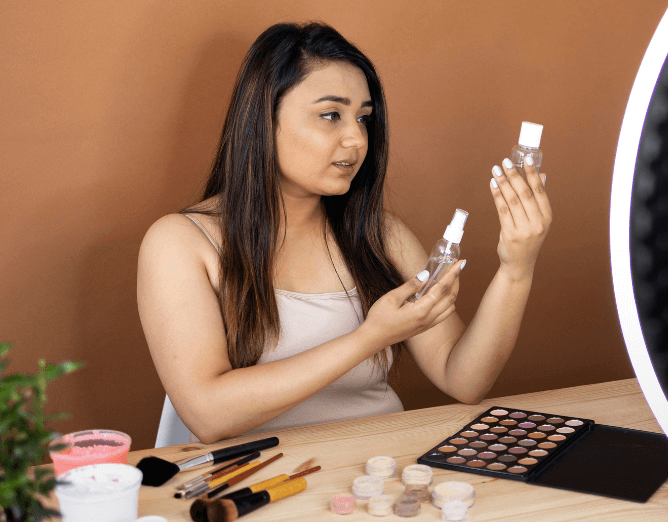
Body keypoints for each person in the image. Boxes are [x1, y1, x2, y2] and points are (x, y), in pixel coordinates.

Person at [137, 22, 551, 444]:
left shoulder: (378, 235)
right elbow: (208, 415)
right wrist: (369, 338)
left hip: (371, 472)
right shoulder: (181, 243)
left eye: (364, 119)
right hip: (245, 487)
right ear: (264, 119)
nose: (356, 138)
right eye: (331, 115)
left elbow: (463, 378)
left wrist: (517, 268)